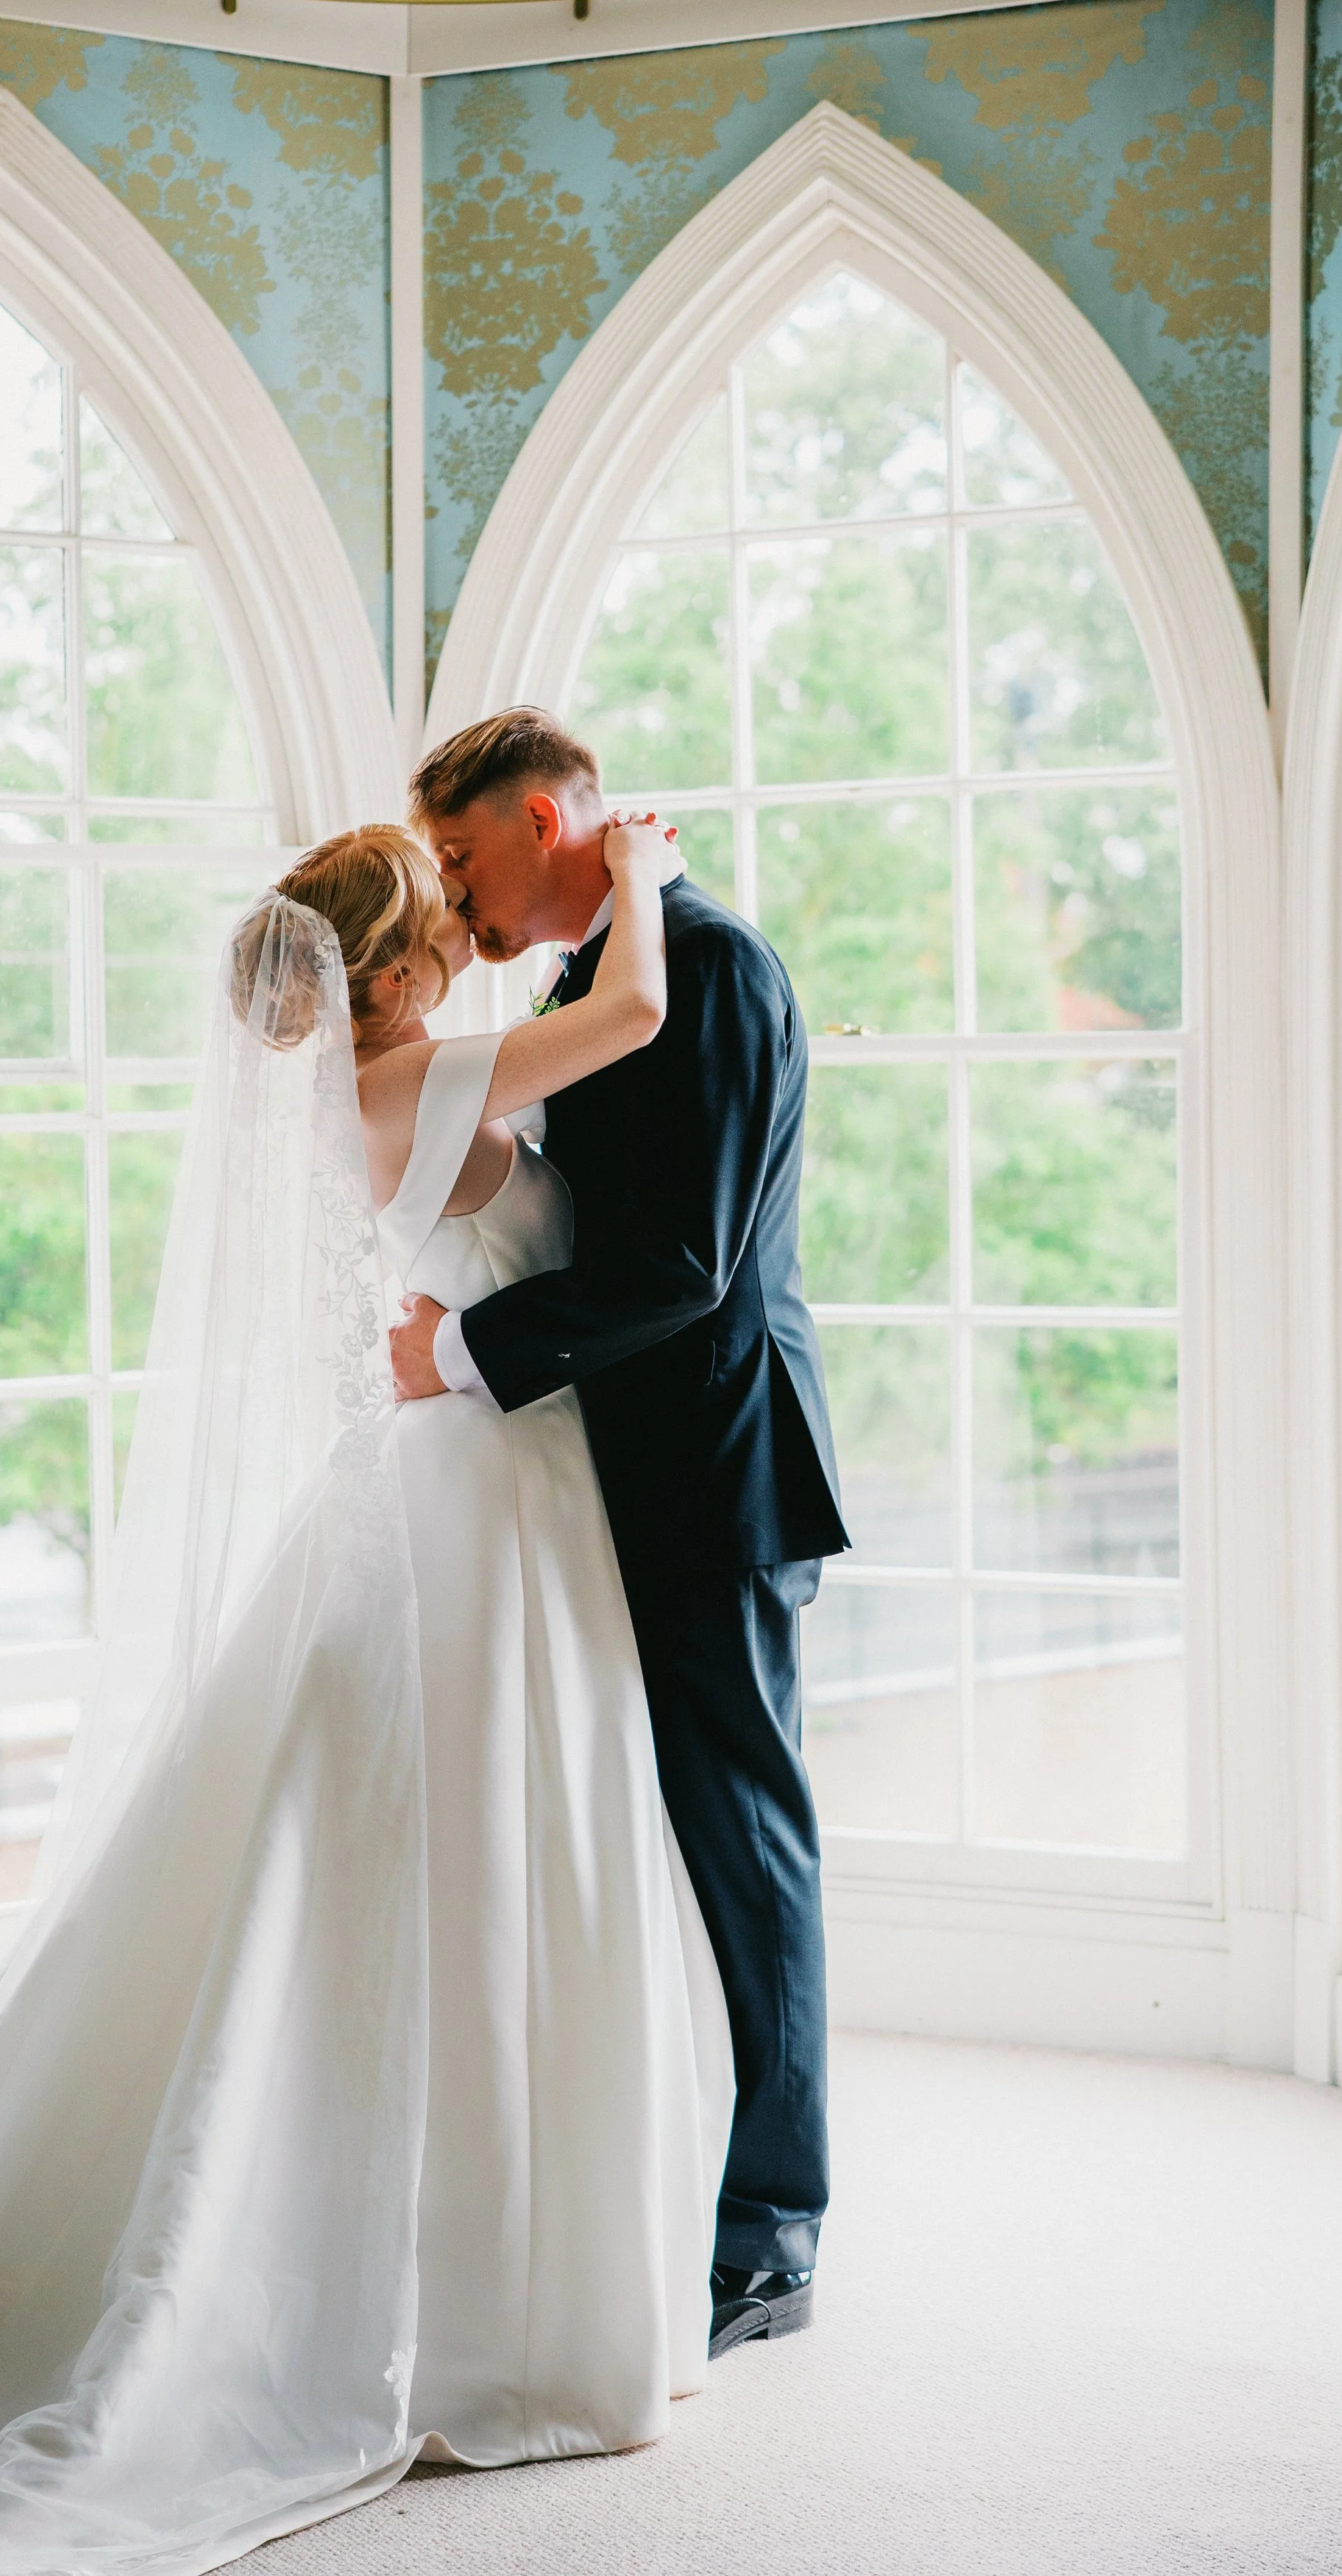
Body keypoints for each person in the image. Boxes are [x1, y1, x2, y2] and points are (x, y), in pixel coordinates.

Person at [0, 811, 729, 2574]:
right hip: (482, 1501)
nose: (468, 943)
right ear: (397, 970)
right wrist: (634, 865)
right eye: (443, 925)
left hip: (456, 1477)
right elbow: (634, 1014)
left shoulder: (358, 1095)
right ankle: (499, 2305)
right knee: (483, 1854)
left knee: (421, 1854)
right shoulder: (432, 1071)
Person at [391, 705, 849, 2357]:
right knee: (649, 1839)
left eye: (459, 854)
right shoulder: (598, 985)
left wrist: (454, 1356)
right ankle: (663, 2184)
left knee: (743, 1840)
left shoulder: (704, 968)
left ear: (541, 817)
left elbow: (682, 1266)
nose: (456, 895)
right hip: (610, 1476)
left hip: (709, 1475)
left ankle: (770, 2234)